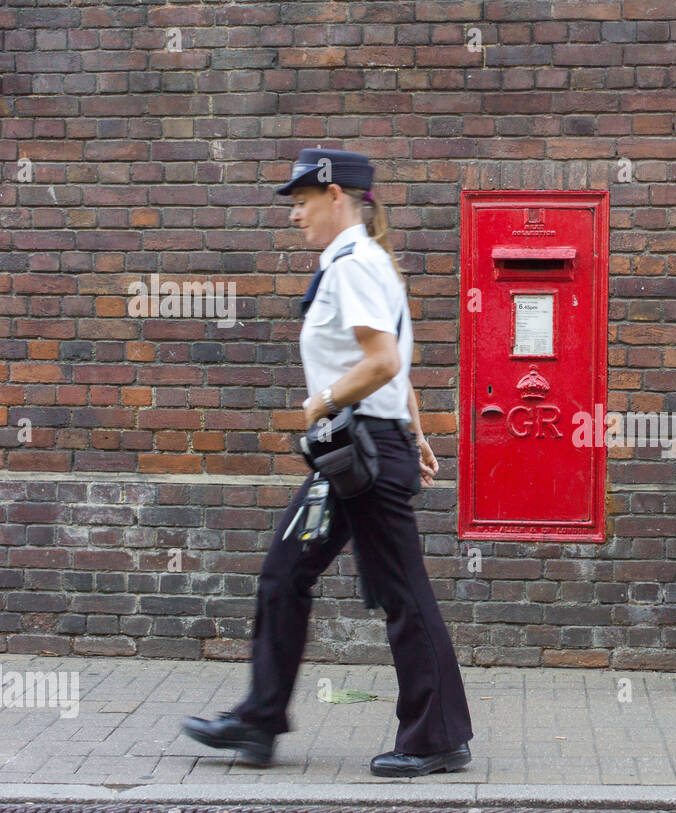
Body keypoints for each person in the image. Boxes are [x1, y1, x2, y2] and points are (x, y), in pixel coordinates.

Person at [182, 148, 473, 777]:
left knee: (399, 591)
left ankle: (437, 737)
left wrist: (320, 402)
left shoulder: (355, 266)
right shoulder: (359, 263)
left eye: (302, 201)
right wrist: (414, 431)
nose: (295, 215)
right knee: (285, 575)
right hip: (357, 451)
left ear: (334, 195)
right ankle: (258, 723)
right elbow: (388, 363)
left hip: (360, 451)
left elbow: (382, 362)